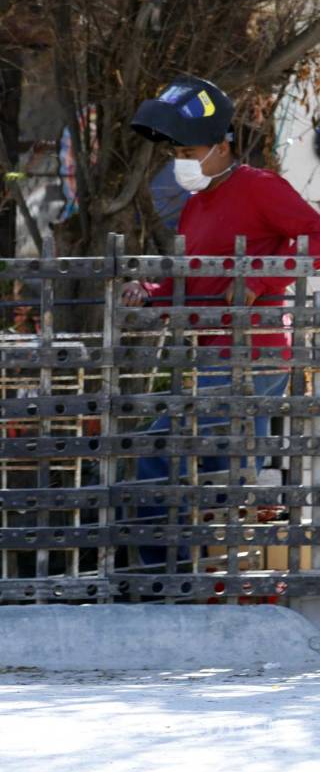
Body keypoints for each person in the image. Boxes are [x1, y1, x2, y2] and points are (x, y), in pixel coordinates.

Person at [122, 75, 320, 565]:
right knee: (221, 470)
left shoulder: (261, 188)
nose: (181, 163)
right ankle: (199, 577)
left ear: (221, 146)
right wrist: (149, 296)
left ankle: (169, 578)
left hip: (255, 353)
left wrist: (260, 279)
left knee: (164, 453)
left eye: (189, 153)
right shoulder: (196, 206)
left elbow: (315, 238)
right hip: (216, 354)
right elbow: (192, 284)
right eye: (176, 154)